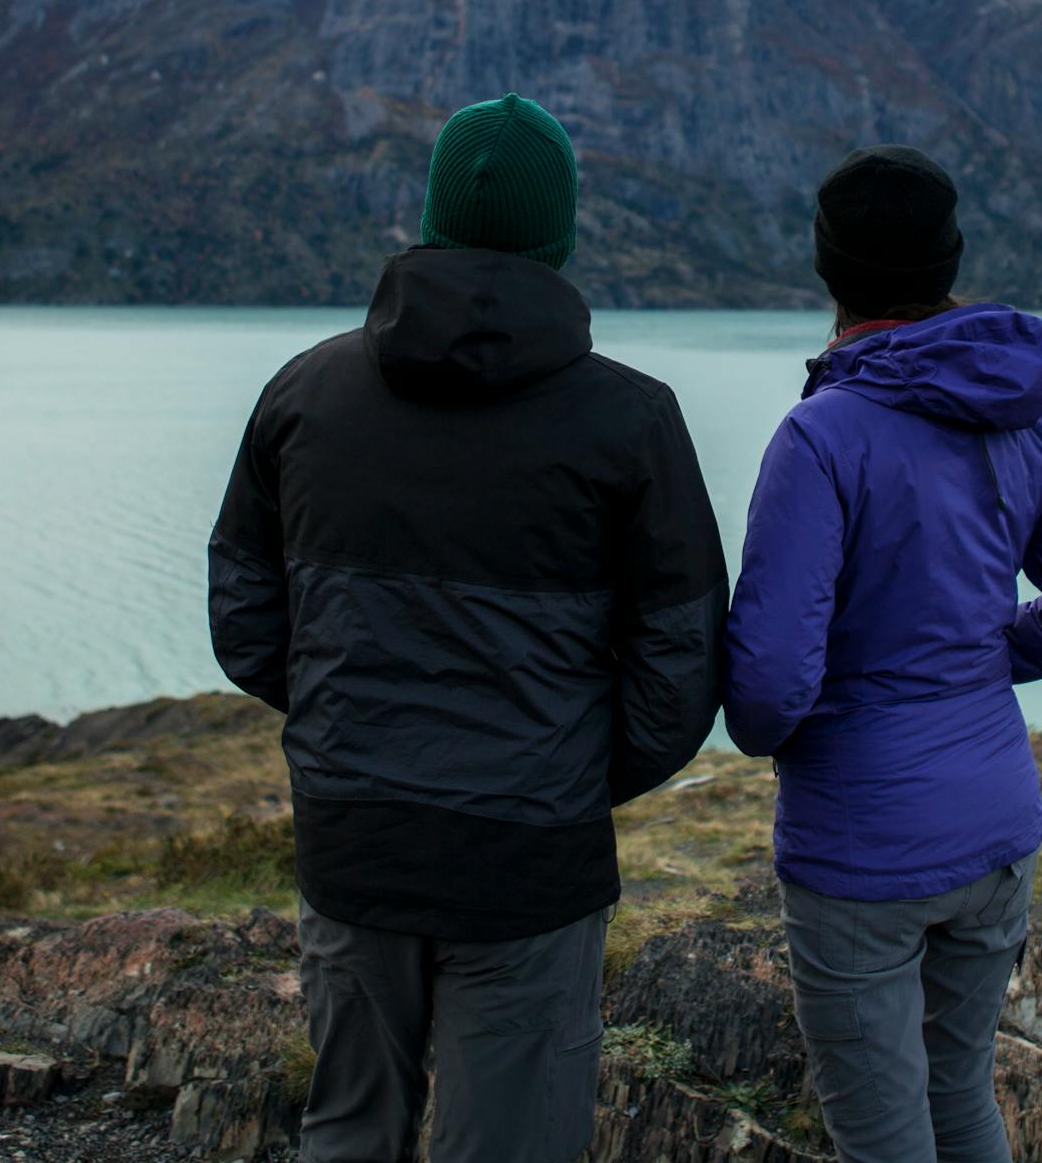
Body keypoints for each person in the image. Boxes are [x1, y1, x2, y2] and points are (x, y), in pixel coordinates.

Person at [207, 92, 728, 1163]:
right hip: (531, 862)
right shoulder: (632, 419)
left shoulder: (304, 394)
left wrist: (345, 721)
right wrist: (568, 773)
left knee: (348, 1134)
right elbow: (682, 663)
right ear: (561, 235)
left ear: (435, 214)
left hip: (354, 836)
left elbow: (246, 614)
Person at [724, 143, 1042, 1163]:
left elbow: (770, 693)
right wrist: (971, 663)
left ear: (828, 270)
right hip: (999, 829)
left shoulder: (821, 437)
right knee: (961, 1097)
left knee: (882, 1136)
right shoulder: (1024, 410)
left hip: (861, 849)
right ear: (948, 258)